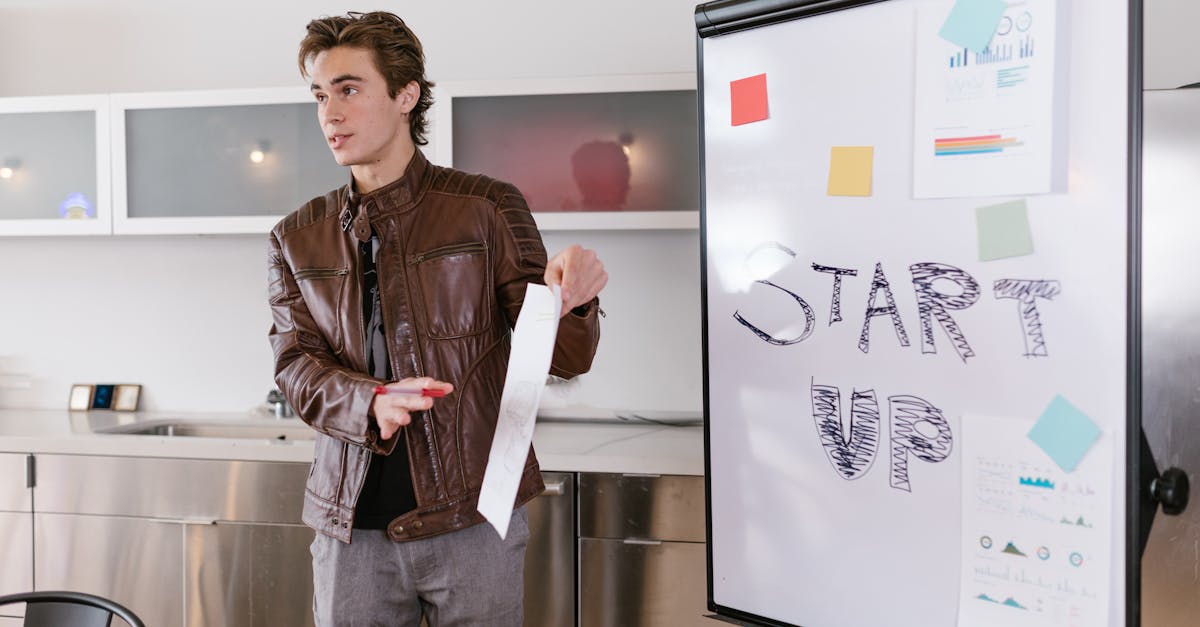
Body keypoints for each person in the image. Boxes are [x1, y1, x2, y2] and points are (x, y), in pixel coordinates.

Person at [266, 11, 606, 626]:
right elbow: (295, 367)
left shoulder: (487, 207)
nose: (330, 114)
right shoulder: (294, 236)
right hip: (350, 529)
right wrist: (370, 401)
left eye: (348, 89)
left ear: (406, 95)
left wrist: (574, 300)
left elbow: (561, 357)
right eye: (319, 95)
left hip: (473, 517)